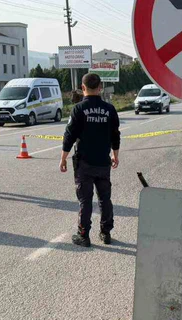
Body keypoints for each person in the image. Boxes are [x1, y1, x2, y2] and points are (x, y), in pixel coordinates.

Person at [60, 73, 121, 247]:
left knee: (85, 200)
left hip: (84, 163)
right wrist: (115, 155)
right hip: (103, 162)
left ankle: (83, 235)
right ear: (100, 87)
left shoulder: (78, 109)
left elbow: (69, 136)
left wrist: (63, 158)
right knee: (105, 199)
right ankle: (106, 233)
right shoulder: (110, 109)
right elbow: (115, 135)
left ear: (83, 87)